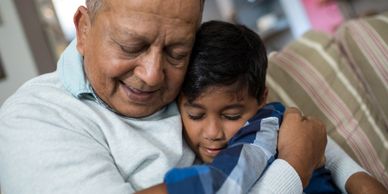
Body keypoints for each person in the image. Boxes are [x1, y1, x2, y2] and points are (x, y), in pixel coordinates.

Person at [0, 0, 327, 193]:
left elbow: (288, 124)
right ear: (84, 30)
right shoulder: (35, 120)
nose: (153, 75)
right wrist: (295, 166)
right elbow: (299, 147)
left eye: (176, 52)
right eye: (131, 46)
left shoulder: (192, 82)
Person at [172, 20, 387, 194]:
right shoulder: (181, 161)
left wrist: (357, 178)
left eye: (231, 115)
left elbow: (330, 155)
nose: (212, 133)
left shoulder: (274, 120)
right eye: (196, 115)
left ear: (261, 98)